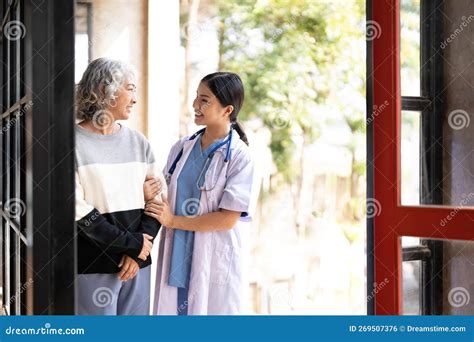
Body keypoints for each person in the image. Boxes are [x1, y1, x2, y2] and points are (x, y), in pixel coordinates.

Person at [145, 72, 254, 315]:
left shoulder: (239, 157)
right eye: (196, 97)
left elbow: (227, 218)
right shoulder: (181, 148)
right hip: (177, 256)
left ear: (227, 110)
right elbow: (164, 195)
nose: (195, 105)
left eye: (204, 100)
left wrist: (173, 221)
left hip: (212, 259)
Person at [74, 58, 166, 315]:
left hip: (137, 266)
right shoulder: (72, 145)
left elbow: (158, 201)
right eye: (131, 88)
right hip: (92, 266)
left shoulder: (139, 142)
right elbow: (79, 213)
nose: (135, 98)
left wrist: (138, 252)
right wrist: (132, 244)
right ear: (105, 90)